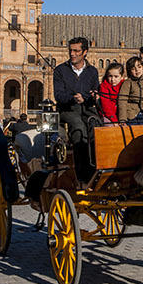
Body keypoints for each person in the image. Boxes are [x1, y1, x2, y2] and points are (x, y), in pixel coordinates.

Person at [53, 36, 100, 182]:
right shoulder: (60, 70)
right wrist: (73, 97)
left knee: (96, 126)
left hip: (87, 109)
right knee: (79, 128)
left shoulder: (92, 71)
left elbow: (96, 91)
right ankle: (81, 174)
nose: (72, 54)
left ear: (85, 52)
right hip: (68, 110)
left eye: (76, 51)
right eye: (70, 51)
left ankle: (96, 168)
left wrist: (87, 97)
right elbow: (58, 95)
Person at [117, 56, 143, 123]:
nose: (137, 70)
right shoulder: (127, 83)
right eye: (133, 68)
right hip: (132, 116)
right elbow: (122, 101)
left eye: (139, 67)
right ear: (129, 71)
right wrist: (122, 119)